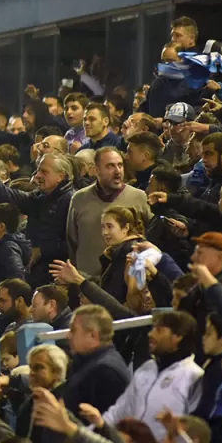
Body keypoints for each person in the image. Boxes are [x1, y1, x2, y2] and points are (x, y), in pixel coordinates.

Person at [99, 310, 202, 439]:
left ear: (178, 336)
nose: (150, 334)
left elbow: (195, 432)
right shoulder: (147, 367)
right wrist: (88, 434)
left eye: (158, 330)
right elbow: (119, 410)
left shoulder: (194, 376)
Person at [67, 147, 151, 276]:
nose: (117, 171)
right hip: (87, 279)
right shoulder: (79, 198)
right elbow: (72, 240)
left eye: (120, 165)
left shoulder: (139, 197)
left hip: (126, 279)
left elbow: (150, 237)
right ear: (96, 170)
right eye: (110, 166)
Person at [62, 305, 132, 414]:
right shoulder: (88, 363)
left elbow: (106, 425)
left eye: (73, 330)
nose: (68, 336)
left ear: (93, 335)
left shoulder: (106, 373)